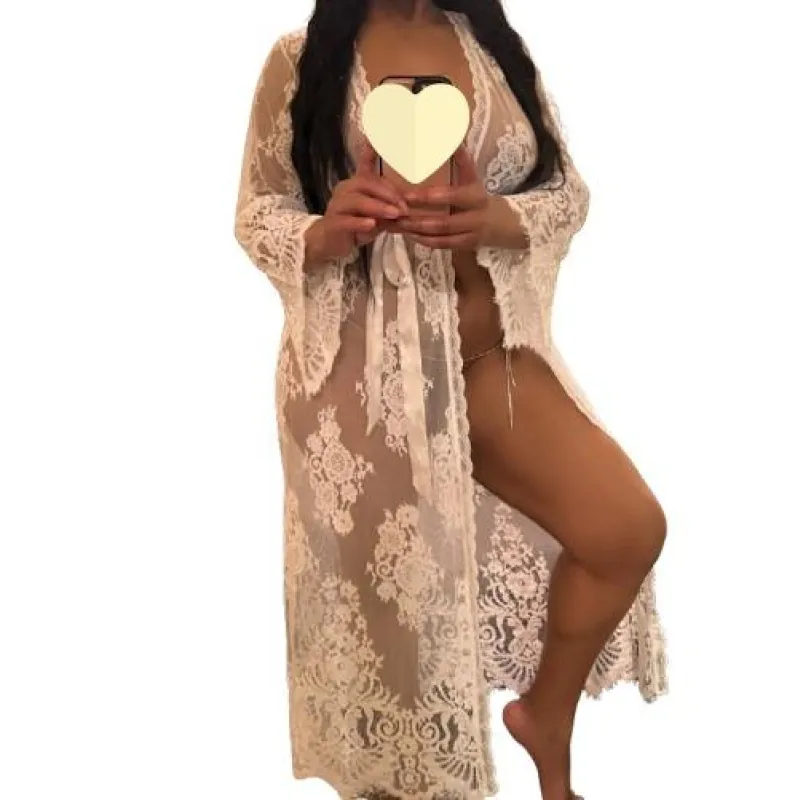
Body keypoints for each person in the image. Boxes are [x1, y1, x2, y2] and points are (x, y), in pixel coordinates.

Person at [233, 2, 669, 799]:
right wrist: (326, 233)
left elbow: (565, 192)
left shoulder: (493, 49)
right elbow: (258, 211)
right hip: (360, 385)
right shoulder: (300, 58)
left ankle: (544, 716)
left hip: (491, 361)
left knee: (623, 529)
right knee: (399, 635)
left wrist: (503, 217)